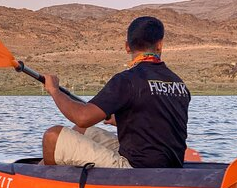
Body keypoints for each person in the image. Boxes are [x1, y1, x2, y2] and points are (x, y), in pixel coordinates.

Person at [41, 16, 190, 168]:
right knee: (83, 131)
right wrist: (123, 121)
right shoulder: (179, 83)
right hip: (171, 166)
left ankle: (37, 183)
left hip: (136, 169)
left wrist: (55, 91)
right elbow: (161, 123)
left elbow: (82, 117)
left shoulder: (127, 79)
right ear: (160, 45)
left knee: (52, 136)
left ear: (127, 47)